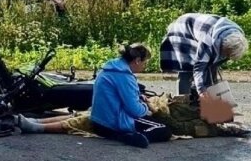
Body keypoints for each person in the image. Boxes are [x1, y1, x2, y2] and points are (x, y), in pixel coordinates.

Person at [16, 44, 169, 148]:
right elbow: (134, 110)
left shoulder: (109, 69)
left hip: (99, 119)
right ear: (137, 60)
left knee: (78, 117)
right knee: (163, 129)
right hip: (114, 125)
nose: (144, 67)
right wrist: (146, 107)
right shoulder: (125, 77)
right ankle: (130, 136)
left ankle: (35, 122)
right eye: (144, 63)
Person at [160, 13, 248, 99]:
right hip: (183, 28)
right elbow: (198, 68)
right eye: (226, 54)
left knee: (210, 69)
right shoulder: (208, 42)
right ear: (223, 46)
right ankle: (184, 102)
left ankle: (204, 99)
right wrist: (202, 90)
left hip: (202, 28)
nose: (226, 57)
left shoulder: (236, 35)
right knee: (186, 70)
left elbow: (214, 64)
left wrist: (212, 86)